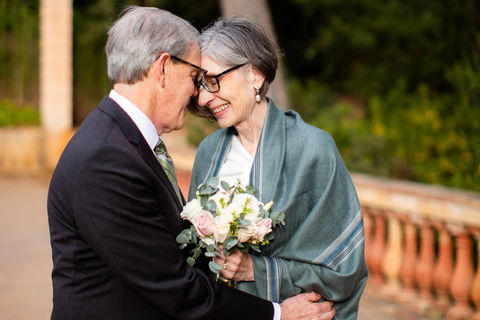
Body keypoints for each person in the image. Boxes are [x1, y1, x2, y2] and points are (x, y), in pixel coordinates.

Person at [47, 6, 336, 320]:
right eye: (196, 77)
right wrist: (277, 314)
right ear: (164, 68)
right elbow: (171, 284)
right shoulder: (106, 157)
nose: (198, 95)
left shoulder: (124, 143)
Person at [188, 17, 368, 319]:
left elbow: (343, 269)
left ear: (255, 75)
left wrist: (256, 270)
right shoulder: (209, 153)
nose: (205, 98)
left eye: (214, 81)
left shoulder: (313, 149)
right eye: (201, 85)